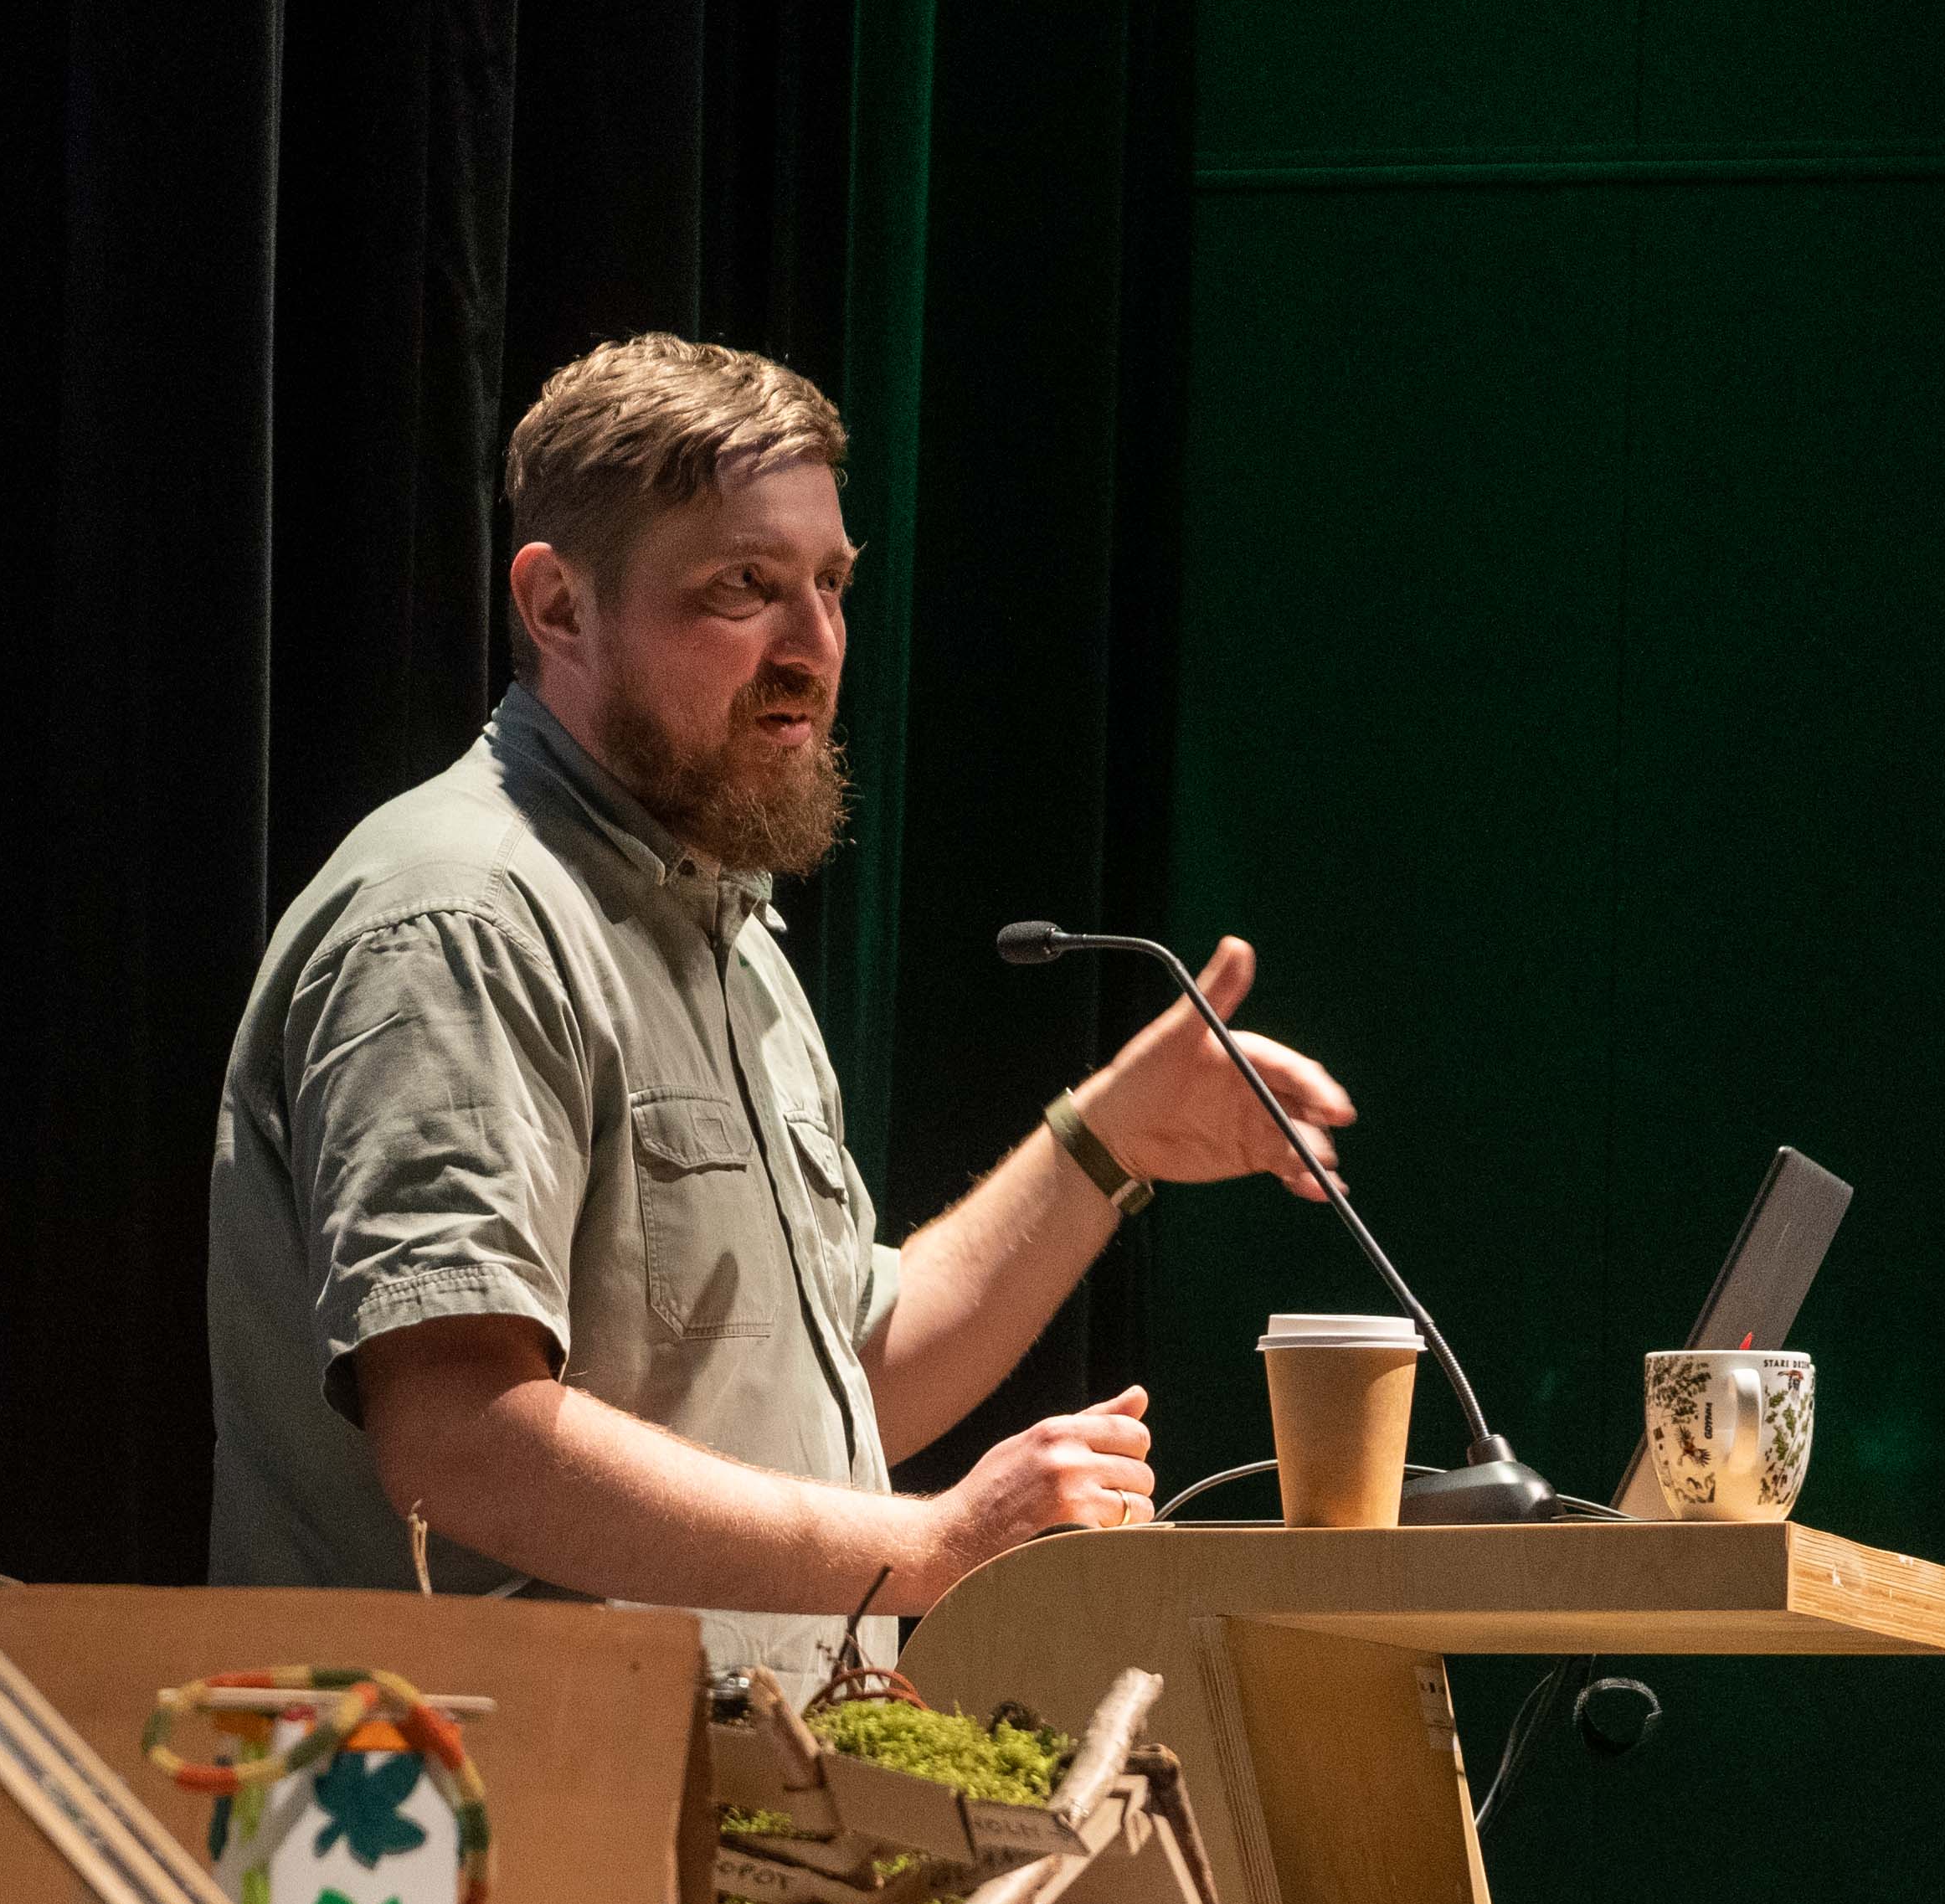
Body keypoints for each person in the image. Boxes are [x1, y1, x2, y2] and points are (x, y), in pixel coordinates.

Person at [207, 332, 1360, 1677]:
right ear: (560, 605)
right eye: (745, 588)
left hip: (741, 1780)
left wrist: (1107, 1144)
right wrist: (928, 1543)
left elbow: (838, 1379)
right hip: (473, 1787)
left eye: (831, 584)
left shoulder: (725, 929)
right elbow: (461, 1438)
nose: (814, 646)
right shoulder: (463, 922)